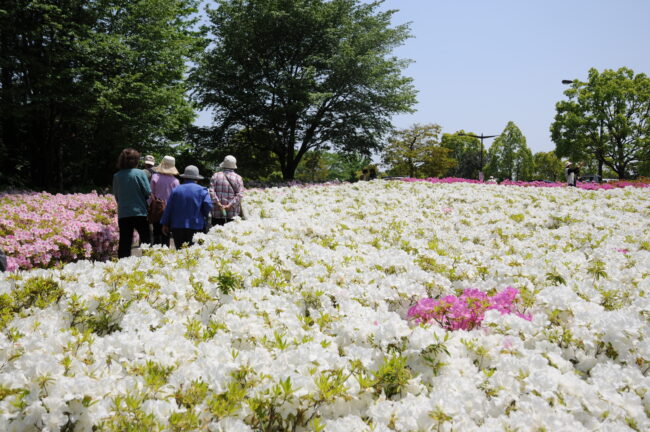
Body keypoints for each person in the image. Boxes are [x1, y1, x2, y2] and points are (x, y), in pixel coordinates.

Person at [161, 165, 213, 248]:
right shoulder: (202, 190)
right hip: (196, 226)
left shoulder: (176, 190)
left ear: (184, 177)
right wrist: (203, 215)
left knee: (180, 252)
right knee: (196, 253)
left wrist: (165, 224)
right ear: (197, 178)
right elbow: (208, 205)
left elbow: (169, 208)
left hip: (177, 226)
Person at [113, 148, 151, 258]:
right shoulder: (140, 173)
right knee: (145, 240)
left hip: (124, 212)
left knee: (125, 241)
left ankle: (123, 265)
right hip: (140, 212)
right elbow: (148, 192)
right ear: (136, 160)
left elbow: (117, 195)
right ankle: (148, 261)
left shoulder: (117, 176)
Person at [150, 155, 180, 246]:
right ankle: (165, 254)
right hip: (169, 211)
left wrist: (150, 207)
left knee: (156, 233)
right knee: (166, 234)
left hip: (156, 209)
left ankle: (154, 254)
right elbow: (176, 199)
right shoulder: (175, 181)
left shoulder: (155, 177)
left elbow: (150, 194)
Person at [209, 155, 245, 225]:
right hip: (233, 214)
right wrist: (229, 205)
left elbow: (211, 192)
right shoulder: (238, 178)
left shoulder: (215, 176)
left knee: (216, 234)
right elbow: (240, 195)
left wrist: (219, 204)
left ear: (224, 165)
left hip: (217, 212)